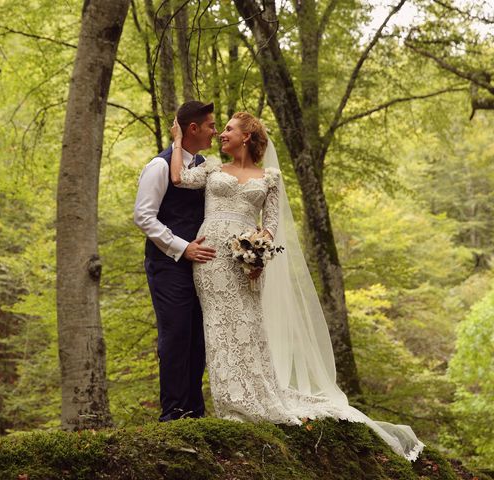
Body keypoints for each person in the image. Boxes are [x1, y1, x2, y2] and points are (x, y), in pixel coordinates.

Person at [169, 111, 425, 461]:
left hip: (244, 261)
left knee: (248, 325)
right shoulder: (212, 167)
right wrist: (177, 140)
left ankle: (259, 395)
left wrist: (256, 256)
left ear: (246, 137)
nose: (222, 134)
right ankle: (230, 402)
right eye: (222, 128)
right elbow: (181, 178)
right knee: (217, 326)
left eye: (228, 129)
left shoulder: (270, 178)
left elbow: (271, 226)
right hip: (210, 257)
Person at [133, 100, 218, 421]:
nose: (215, 130)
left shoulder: (205, 165)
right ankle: (173, 413)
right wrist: (183, 248)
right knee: (177, 334)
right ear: (193, 128)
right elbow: (143, 216)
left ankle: (194, 411)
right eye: (210, 125)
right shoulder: (159, 166)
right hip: (168, 265)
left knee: (198, 336)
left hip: (203, 267)